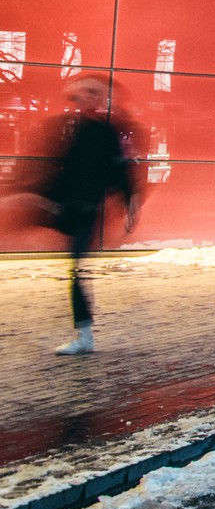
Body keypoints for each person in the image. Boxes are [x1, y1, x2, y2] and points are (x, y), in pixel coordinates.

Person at [38, 76, 138, 355]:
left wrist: (129, 202)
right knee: (76, 269)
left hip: (86, 209)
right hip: (72, 208)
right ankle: (84, 335)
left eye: (90, 95)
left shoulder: (104, 132)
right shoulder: (72, 128)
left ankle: (84, 336)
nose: (85, 100)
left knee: (77, 271)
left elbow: (119, 170)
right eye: (81, 96)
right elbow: (61, 166)